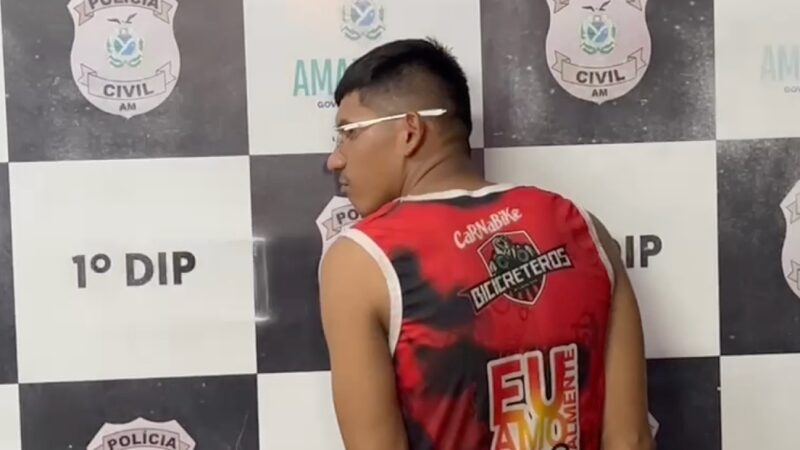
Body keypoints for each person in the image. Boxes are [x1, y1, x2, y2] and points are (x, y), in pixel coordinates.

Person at [318, 37, 655, 450]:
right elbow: (631, 440)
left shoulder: (360, 260)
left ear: (409, 131)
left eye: (348, 134)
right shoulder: (583, 227)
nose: (335, 159)